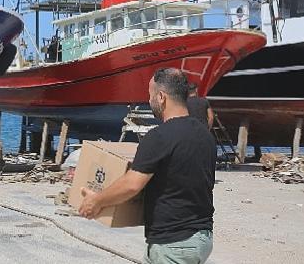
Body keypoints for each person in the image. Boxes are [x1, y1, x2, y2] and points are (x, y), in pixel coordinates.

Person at [78, 68, 216, 264]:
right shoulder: (205, 135)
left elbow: (132, 184)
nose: (149, 100)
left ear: (161, 97)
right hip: (200, 237)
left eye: (150, 94)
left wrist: (97, 201)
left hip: (173, 242)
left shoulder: (159, 137)